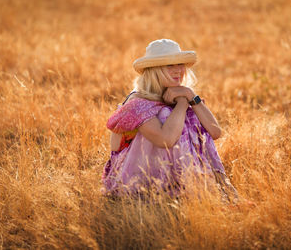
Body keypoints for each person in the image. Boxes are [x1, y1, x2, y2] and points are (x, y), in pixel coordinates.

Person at [101, 39, 239, 203]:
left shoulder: (178, 93)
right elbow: (165, 140)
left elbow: (215, 132)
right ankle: (177, 189)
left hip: (166, 172)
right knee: (169, 115)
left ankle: (193, 187)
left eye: (180, 64)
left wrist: (190, 96)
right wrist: (182, 103)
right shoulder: (137, 102)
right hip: (135, 179)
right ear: (154, 70)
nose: (178, 70)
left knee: (191, 114)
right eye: (169, 65)